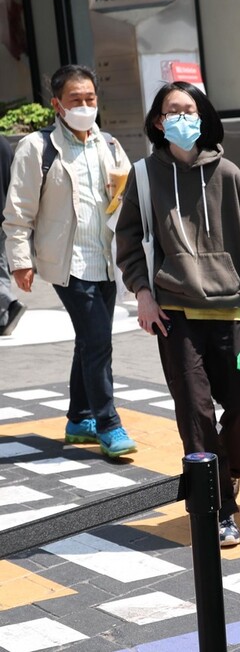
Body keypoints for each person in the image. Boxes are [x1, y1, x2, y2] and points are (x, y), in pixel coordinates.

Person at [114, 81, 240, 548]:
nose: (182, 118)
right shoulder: (145, 175)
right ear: (157, 121)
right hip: (175, 313)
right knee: (194, 412)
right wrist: (142, 294)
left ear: (203, 115)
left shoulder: (228, 173)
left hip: (232, 309)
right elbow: (128, 242)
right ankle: (218, 509)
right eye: (173, 111)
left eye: (189, 110)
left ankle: (229, 470)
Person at [3, 64, 136, 457]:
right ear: (57, 104)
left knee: (90, 340)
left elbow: (126, 198)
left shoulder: (108, 144)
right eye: (75, 99)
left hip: (106, 259)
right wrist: (20, 261)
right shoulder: (37, 147)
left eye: (90, 99)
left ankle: (79, 417)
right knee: (98, 343)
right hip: (67, 261)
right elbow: (18, 212)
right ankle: (109, 423)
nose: (84, 106)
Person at [0, 134, 26, 336]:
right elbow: (12, 182)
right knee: (1, 269)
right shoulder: (4, 144)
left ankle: (9, 303)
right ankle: (3, 319)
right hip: (4, 217)